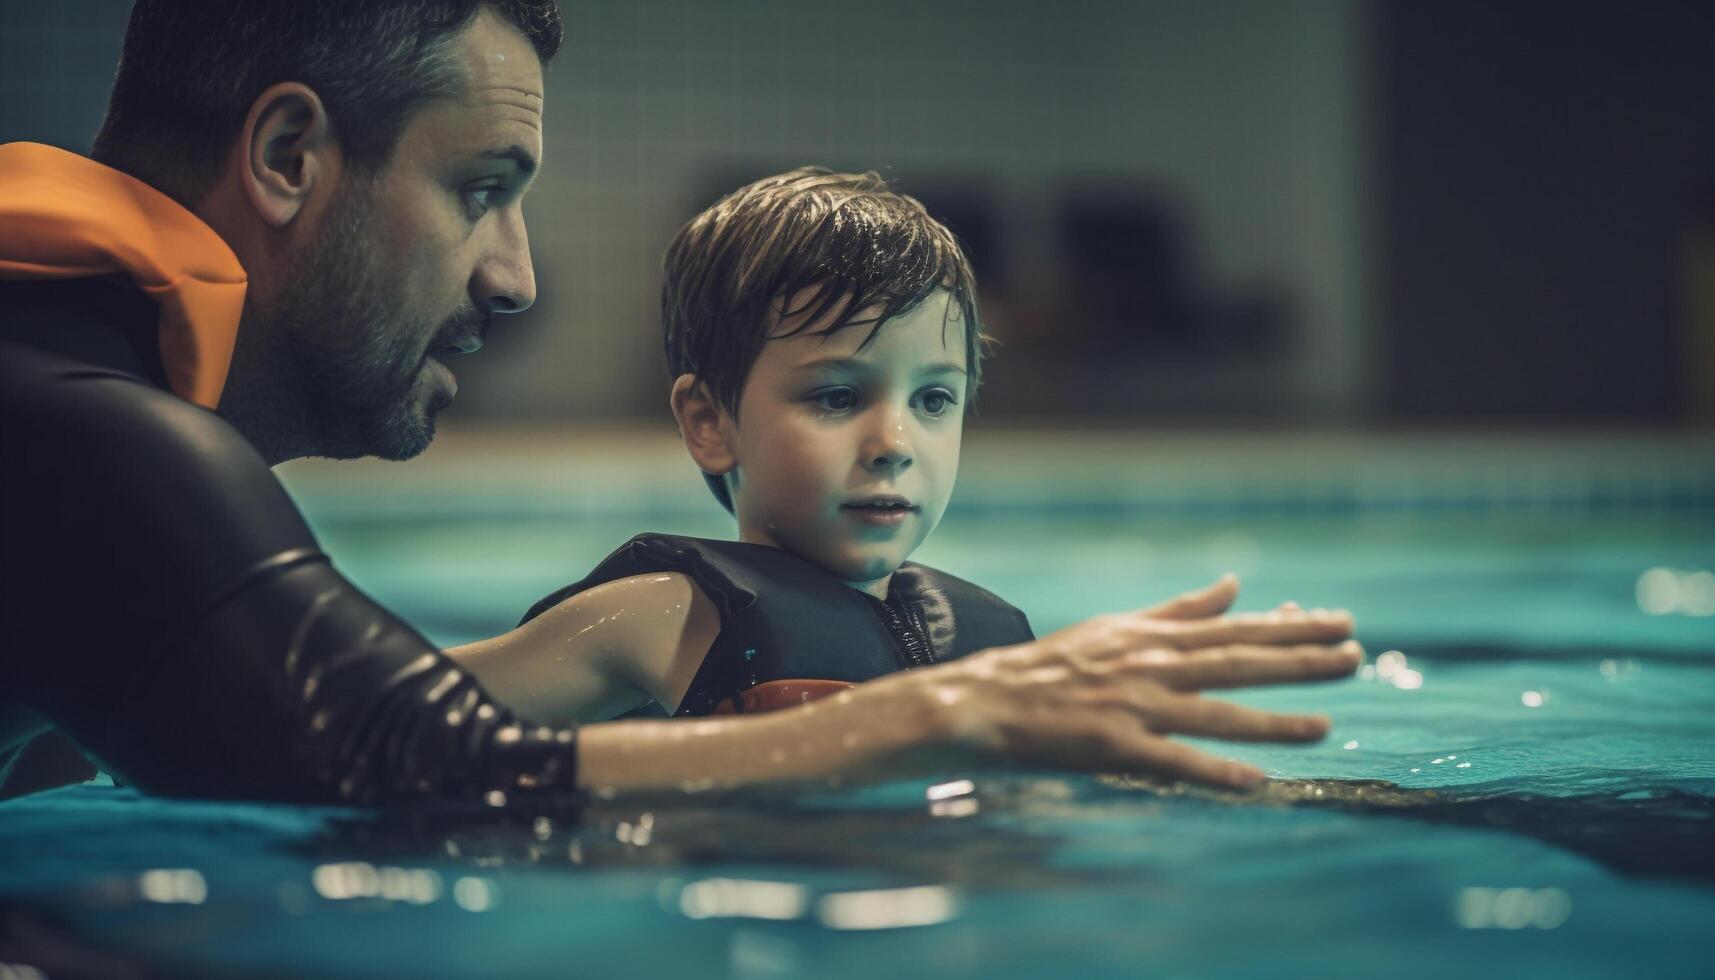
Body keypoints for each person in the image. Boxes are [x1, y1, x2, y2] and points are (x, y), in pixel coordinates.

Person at [0, 0, 1362, 806]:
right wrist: (950, 717)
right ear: (293, 154)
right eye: (485, 188)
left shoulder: (63, 404)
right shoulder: (86, 430)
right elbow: (401, 753)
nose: (520, 276)